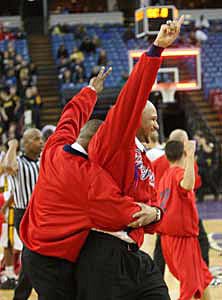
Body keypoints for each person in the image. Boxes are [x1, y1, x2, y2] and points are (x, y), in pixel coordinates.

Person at [75, 18, 184, 300]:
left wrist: (155, 213)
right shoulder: (113, 141)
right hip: (102, 253)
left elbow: (152, 214)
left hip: (133, 254)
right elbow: (133, 95)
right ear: (135, 116)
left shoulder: (144, 159)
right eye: (153, 119)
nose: (157, 126)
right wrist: (156, 50)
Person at [19, 68, 150, 300]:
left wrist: (91, 91)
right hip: (55, 261)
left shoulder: (54, 148)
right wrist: (155, 213)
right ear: (98, 144)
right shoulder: (89, 178)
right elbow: (120, 212)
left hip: (31, 250)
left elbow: (70, 117)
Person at [157, 139, 212, 300]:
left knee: (203, 279)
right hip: (182, 239)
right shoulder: (177, 173)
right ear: (183, 153)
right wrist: (191, 155)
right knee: (189, 288)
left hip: (168, 238)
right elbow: (188, 184)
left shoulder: (165, 176)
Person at [3, 128, 43, 300]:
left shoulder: (42, 161)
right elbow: (7, 167)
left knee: (32, 256)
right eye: (36, 138)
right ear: (25, 143)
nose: (40, 141)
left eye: (41, 138)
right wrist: (12, 145)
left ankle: (22, 295)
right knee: (33, 254)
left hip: (42, 213)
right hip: (24, 214)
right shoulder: (17, 162)